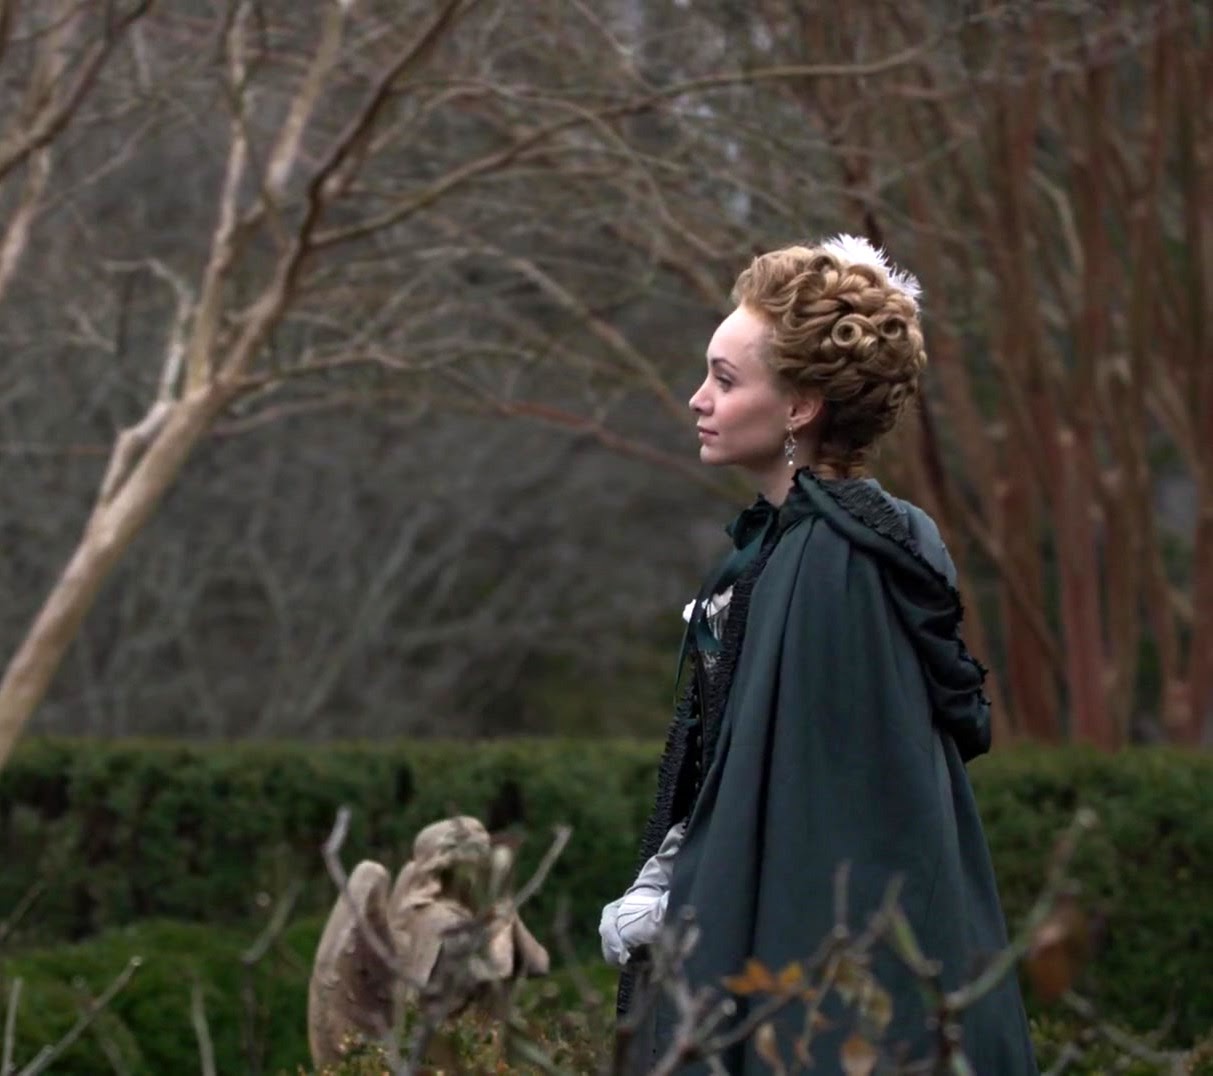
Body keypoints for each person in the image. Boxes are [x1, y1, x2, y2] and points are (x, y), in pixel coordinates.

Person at [600, 237, 1039, 1074]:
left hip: (832, 1001)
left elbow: (819, 815)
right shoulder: (795, 548)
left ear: (799, 407)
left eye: (724, 380)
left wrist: (680, 904)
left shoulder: (835, 564)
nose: (697, 399)